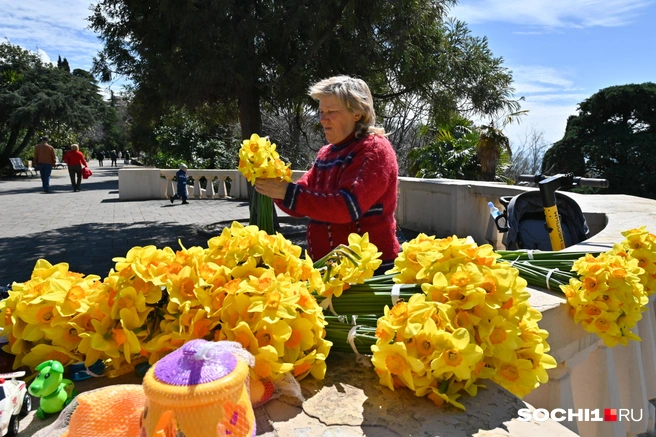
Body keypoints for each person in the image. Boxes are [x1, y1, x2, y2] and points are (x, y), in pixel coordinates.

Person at [255, 75, 400, 272]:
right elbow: (300, 202)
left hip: (369, 270)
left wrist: (286, 192)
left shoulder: (373, 149)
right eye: (321, 111)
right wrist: (273, 185)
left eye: (331, 111)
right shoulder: (326, 153)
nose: (323, 119)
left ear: (357, 113)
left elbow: (347, 207)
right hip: (328, 269)